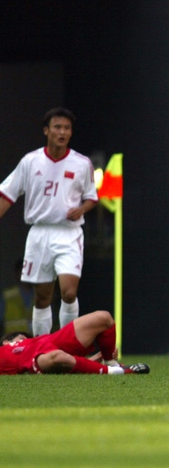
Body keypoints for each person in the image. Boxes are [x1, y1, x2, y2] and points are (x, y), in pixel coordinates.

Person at [0, 108, 98, 337]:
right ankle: (41, 350)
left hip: (69, 233)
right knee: (42, 297)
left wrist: (81, 209)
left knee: (69, 292)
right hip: (40, 234)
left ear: (71, 132)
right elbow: (7, 195)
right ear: (47, 130)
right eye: (57, 127)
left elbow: (92, 197)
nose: (62, 132)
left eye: (66, 128)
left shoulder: (82, 163)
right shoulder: (30, 162)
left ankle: (69, 346)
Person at [0, 310, 149, 375]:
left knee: (104, 317)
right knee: (59, 357)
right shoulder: (4, 353)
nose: (22, 339)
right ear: (6, 342)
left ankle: (111, 363)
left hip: (51, 341)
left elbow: (74, 364)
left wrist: (98, 357)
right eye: (19, 338)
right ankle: (116, 372)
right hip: (34, 360)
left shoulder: (32, 341)